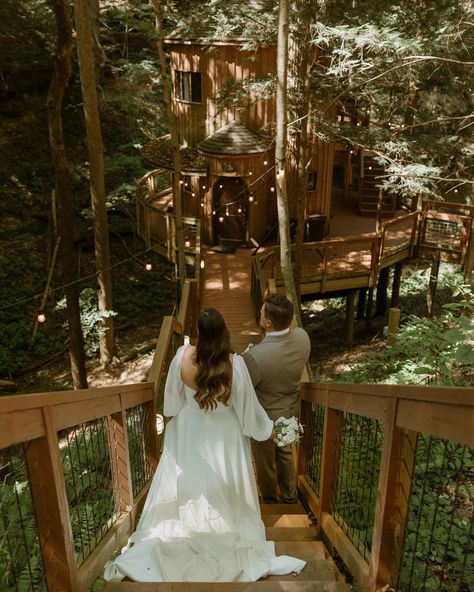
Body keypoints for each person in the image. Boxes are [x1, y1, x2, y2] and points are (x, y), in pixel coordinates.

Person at [104, 307, 305, 582]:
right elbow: (248, 412)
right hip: (226, 433)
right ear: (224, 332)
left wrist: (179, 417)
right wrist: (270, 430)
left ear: (199, 332)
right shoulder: (235, 365)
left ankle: (190, 523)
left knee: (193, 482)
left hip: (188, 428)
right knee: (224, 480)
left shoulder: (181, 357)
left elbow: (172, 401)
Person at [242, 293, 311, 504]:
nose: (260, 314)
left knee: (264, 462)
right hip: (290, 407)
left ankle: (270, 498)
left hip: (265, 415)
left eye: (262, 313)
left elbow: (246, 387)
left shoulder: (255, 356)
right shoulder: (302, 337)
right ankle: (290, 496)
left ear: (268, 323)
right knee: (286, 453)